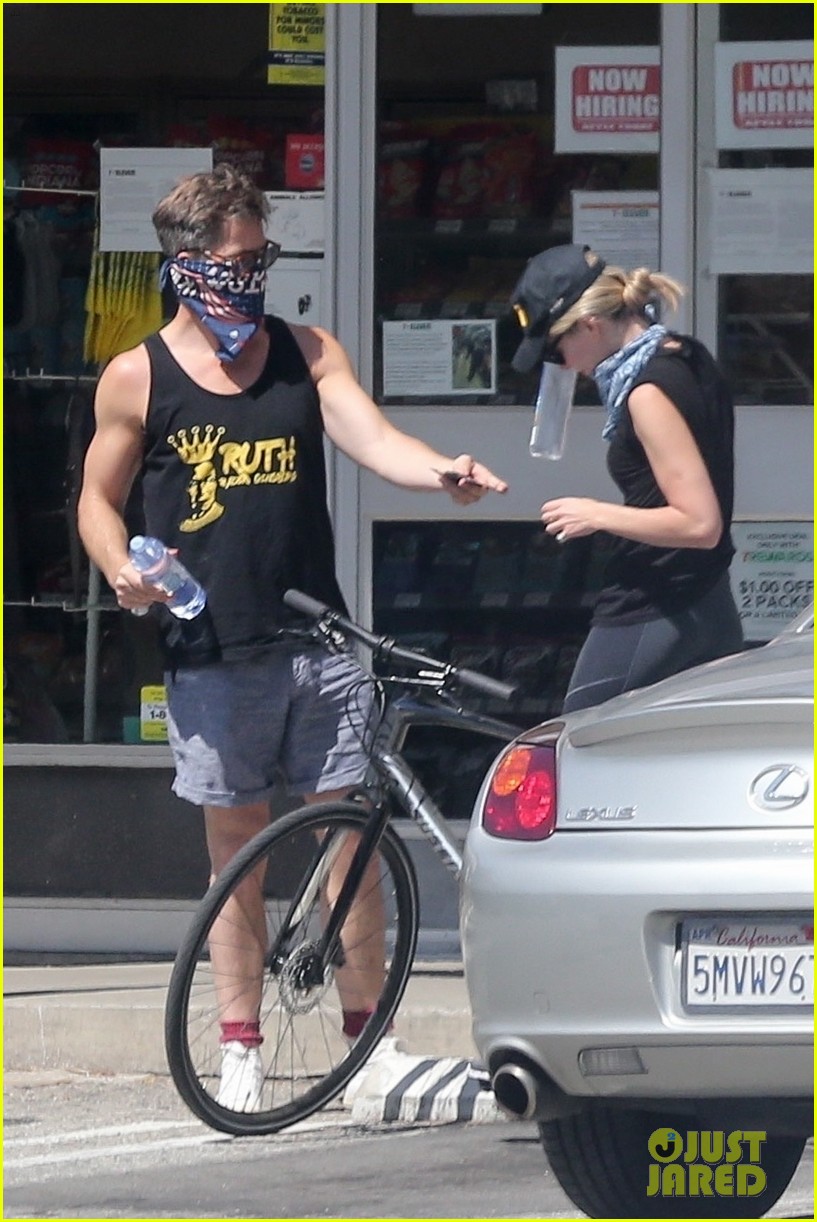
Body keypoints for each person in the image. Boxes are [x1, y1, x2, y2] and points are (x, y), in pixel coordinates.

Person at [77, 163, 507, 1111]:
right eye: (235, 260)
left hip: (316, 638)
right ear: (188, 266)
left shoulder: (305, 352)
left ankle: (371, 1045)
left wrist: (442, 473)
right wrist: (119, 567)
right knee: (237, 857)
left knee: (348, 841)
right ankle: (239, 1040)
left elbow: (373, 436)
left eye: (260, 256)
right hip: (212, 649)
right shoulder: (137, 376)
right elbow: (96, 502)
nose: (251, 276)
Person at [510, 243, 743, 713]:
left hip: (658, 602)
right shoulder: (685, 353)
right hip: (706, 599)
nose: (561, 365)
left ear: (591, 325)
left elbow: (699, 524)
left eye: (557, 349)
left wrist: (596, 514)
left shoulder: (647, 392)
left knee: (580, 741)